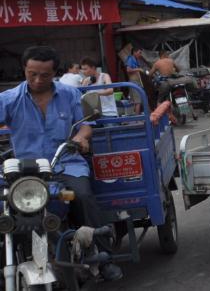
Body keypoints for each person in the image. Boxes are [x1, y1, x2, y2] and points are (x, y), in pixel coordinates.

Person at [0, 47, 122, 281]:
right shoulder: (9, 99)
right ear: (24, 70)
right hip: (27, 172)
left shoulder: (70, 94)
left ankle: (105, 258)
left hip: (65, 163)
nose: (37, 80)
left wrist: (80, 137)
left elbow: (85, 125)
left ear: (55, 73)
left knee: (83, 196)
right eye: (31, 73)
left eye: (44, 75)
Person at [125, 47, 146, 113]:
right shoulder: (130, 59)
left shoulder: (136, 60)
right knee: (138, 102)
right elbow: (128, 70)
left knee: (138, 101)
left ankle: (135, 117)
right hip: (134, 82)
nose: (140, 54)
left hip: (137, 82)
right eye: (139, 52)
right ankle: (137, 119)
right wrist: (138, 69)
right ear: (134, 52)